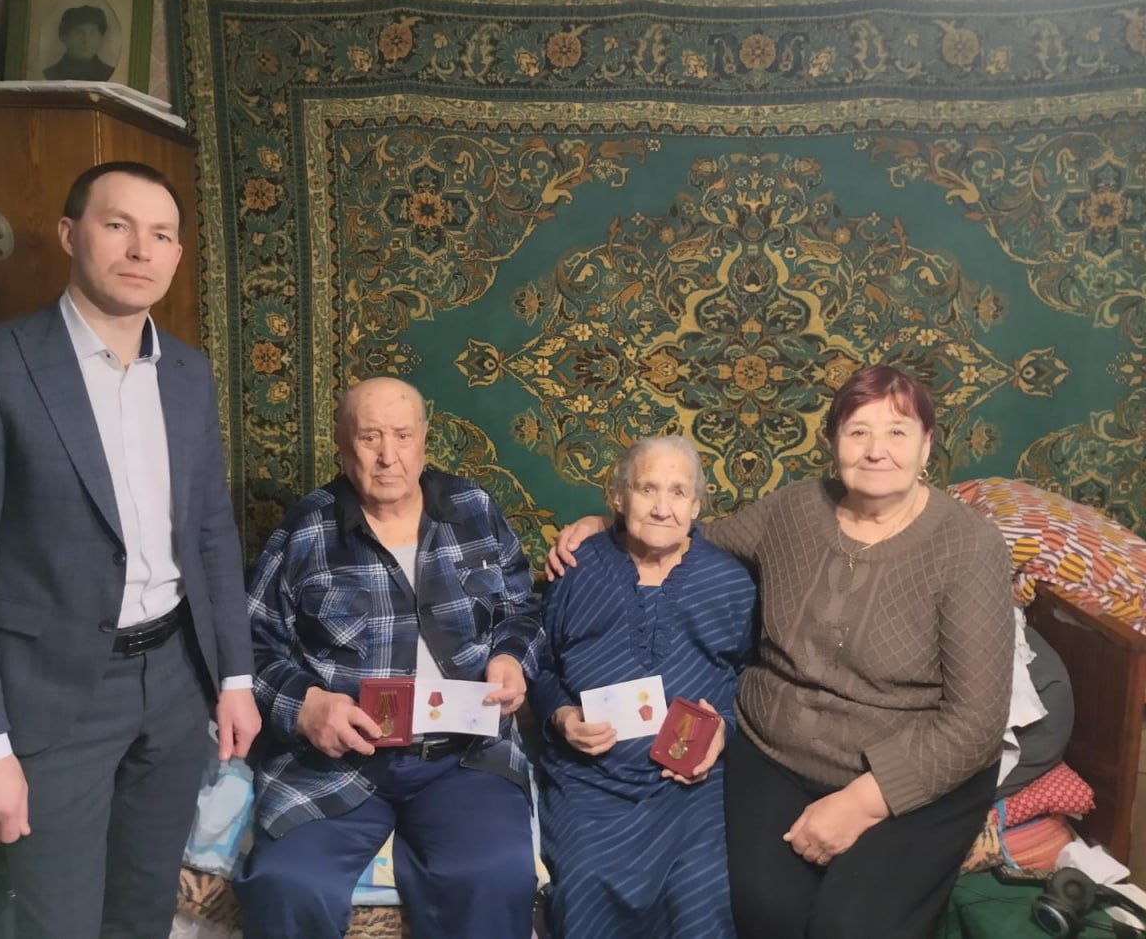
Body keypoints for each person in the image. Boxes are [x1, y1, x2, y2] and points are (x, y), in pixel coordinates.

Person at [0, 160, 262, 939]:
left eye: (162, 234)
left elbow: (211, 529)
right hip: (53, 696)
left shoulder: (189, 372)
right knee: (60, 919)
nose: (141, 249)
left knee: (143, 908)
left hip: (175, 682)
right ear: (71, 235)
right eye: (118, 225)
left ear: (177, 254)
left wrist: (234, 677)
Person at [548, 365, 1012, 939]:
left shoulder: (969, 545)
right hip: (778, 755)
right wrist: (608, 522)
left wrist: (863, 803)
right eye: (858, 431)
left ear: (926, 445)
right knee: (763, 909)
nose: (876, 450)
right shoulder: (794, 510)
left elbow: (976, 722)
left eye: (897, 432)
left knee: (849, 927)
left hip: (905, 770)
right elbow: (686, 530)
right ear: (833, 441)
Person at [236, 377, 544, 939]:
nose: (387, 455)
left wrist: (510, 658)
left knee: (495, 875)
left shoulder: (473, 508)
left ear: (424, 438)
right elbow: (250, 646)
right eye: (369, 437)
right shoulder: (306, 530)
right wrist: (305, 707)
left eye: (402, 435)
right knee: (286, 884)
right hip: (337, 761)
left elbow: (523, 610)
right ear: (341, 444)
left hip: (464, 757)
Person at [531, 435, 755, 939]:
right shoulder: (575, 568)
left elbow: (754, 678)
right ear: (618, 497)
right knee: (585, 885)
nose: (661, 507)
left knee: (703, 894)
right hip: (590, 781)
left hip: (691, 786)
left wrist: (724, 730)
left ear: (696, 507)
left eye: (678, 492)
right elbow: (540, 665)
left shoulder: (730, 582)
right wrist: (561, 717)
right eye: (647, 488)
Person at [44, 4, 115, 82]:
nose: (86, 40)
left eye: (92, 33)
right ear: (64, 38)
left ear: (100, 38)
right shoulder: (50, 75)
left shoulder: (109, 73)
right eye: (78, 33)